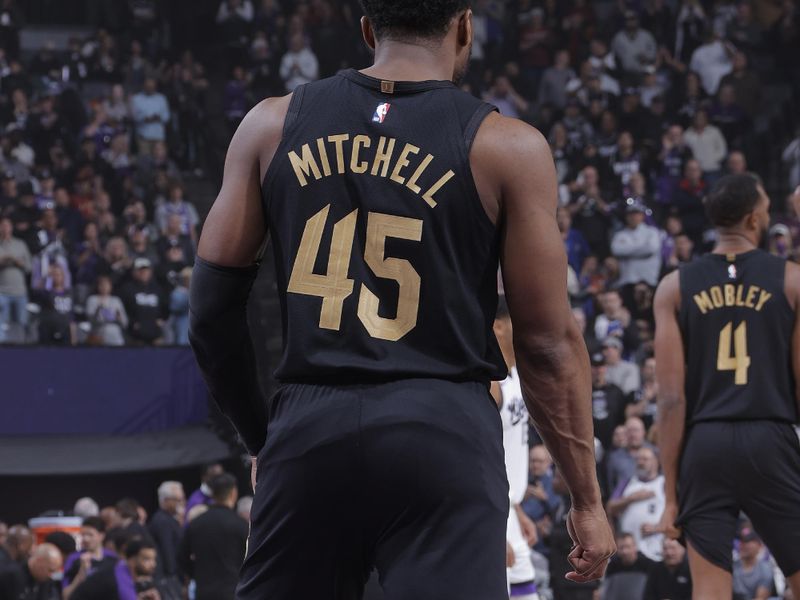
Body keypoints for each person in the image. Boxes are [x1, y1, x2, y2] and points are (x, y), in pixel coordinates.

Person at [188, 1, 614, 598]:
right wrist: (586, 499)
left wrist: (264, 439)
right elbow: (545, 343)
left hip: (310, 424)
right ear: (465, 26)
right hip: (443, 427)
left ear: (366, 30)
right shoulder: (508, 146)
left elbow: (209, 315)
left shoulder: (269, 125)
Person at [655, 173, 800, 599]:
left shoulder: (674, 287)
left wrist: (669, 494)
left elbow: (669, 398)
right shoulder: (791, 280)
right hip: (770, 436)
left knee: (710, 591)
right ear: (755, 219)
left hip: (706, 442)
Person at [491, 301, 539, 600]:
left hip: (508, 507)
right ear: (498, 325)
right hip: (492, 511)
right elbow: (476, 457)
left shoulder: (516, 373)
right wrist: (495, 532)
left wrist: (517, 508)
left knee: (526, 592)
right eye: (518, 320)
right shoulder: (490, 382)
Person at [177, 473, 248, 600]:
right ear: (233, 493)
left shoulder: (196, 524)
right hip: (233, 591)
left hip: (204, 591)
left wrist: (196, 574)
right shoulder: (241, 525)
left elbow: (181, 557)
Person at [606, 446, 665, 562]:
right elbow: (610, 507)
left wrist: (657, 528)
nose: (640, 462)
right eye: (638, 459)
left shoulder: (664, 483)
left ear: (656, 461)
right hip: (629, 552)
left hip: (657, 549)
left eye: (645, 459)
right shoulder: (627, 482)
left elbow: (676, 513)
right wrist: (631, 499)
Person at [70, 538, 160, 600]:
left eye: (153, 559)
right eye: (147, 559)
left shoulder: (118, 571)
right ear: (132, 561)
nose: (153, 564)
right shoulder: (120, 580)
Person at [62, 517, 118, 600]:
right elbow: (65, 595)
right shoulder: (73, 558)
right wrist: (81, 575)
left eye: (90, 535)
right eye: (83, 535)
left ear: (101, 535)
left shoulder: (113, 558)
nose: (85, 539)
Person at [148, 481, 185, 594]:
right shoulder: (162, 521)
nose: (182, 503)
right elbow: (167, 551)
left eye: (182, 499)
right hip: (168, 579)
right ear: (165, 500)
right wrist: (175, 577)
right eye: (177, 500)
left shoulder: (169, 519)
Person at [0, 215, 31, 343]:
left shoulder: (20, 244)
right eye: (2, 225)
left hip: (20, 292)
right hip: (2, 293)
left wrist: (19, 262)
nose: (5, 228)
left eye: (7, 225)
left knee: (22, 325)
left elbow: (29, 267)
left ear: (11, 227)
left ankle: (23, 355)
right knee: (2, 327)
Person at [600, 533, 654, 600]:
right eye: (621, 547)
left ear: (635, 546)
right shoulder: (612, 566)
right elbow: (606, 592)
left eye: (628, 547)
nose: (625, 551)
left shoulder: (648, 565)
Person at [733, 526, 774, 600]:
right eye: (741, 541)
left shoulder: (765, 568)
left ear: (759, 545)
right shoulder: (731, 566)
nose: (743, 545)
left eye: (747, 541)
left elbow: (761, 598)